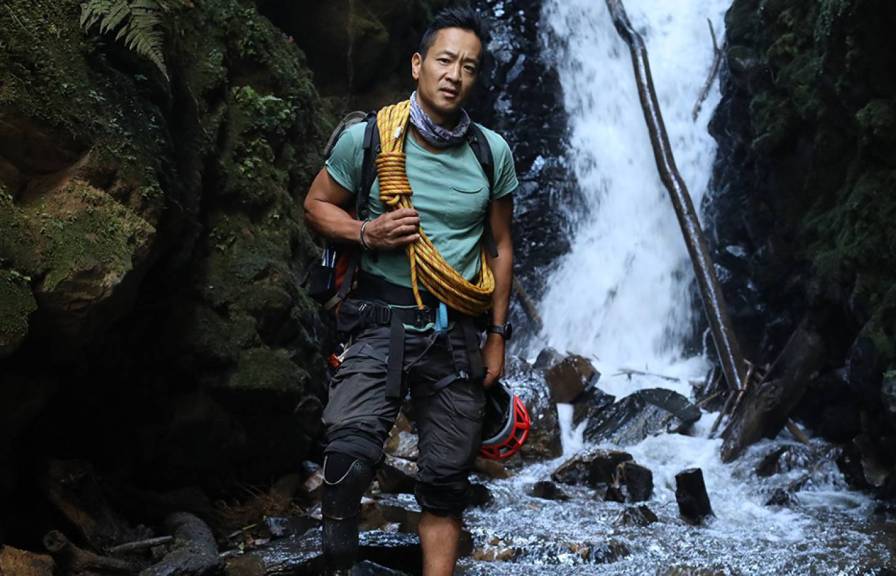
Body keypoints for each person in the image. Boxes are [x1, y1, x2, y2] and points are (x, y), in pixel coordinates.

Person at [303, 7, 517, 575]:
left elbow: (500, 248)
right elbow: (316, 205)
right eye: (445, 60)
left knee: (445, 485)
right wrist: (366, 231)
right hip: (378, 322)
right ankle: (341, 564)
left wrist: (497, 336)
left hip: (459, 335)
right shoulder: (368, 138)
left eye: (469, 67)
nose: (455, 74)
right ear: (419, 64)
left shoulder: (490, 153)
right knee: (346, 461)